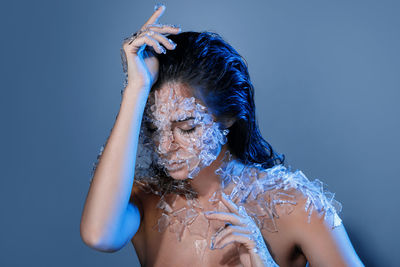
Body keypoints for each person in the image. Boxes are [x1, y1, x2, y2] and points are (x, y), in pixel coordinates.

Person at [80, 4, 364, 267]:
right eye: (155, 128)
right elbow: (98, 235)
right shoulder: (144, 199)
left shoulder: (296, 205)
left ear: (228, 116)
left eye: (187, 127)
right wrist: (136, 89)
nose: (165, 146)